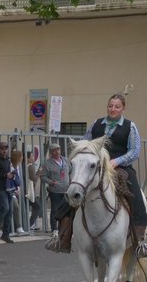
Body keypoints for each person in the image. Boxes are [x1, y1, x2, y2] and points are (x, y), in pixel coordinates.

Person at [55, 93, 147, 256]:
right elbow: (86, 142)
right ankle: (62, 236)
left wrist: (116, 161)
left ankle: (139, 241)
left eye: (117, 106)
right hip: (95, 166)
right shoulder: (96, 124)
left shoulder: (130, 126)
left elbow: (134, 151)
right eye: (110, 106)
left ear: (123, 108)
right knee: (73, 192)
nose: (113, 109)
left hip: (119, 167)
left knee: (137, 199)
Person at [40, 142, 69, 238]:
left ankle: (63, 228)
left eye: (58, 149)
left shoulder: (65, 160)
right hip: (55, 191)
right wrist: (51, 182)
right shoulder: (47, 164)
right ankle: (54, 229)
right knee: (55, 211)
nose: (57, 152)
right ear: (51, 152)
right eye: (54, 150)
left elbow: (71, 171)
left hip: (66, 190)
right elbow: (43, 177)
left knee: (65, 211)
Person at [8, 149, 25, 234]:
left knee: (12, 209)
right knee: (14, 207)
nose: (22, 158)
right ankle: (18, 227)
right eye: (21, 156)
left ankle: (15, 227)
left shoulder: (18, 166)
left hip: (14, 191)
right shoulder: (10, 167)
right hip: (10, 191)